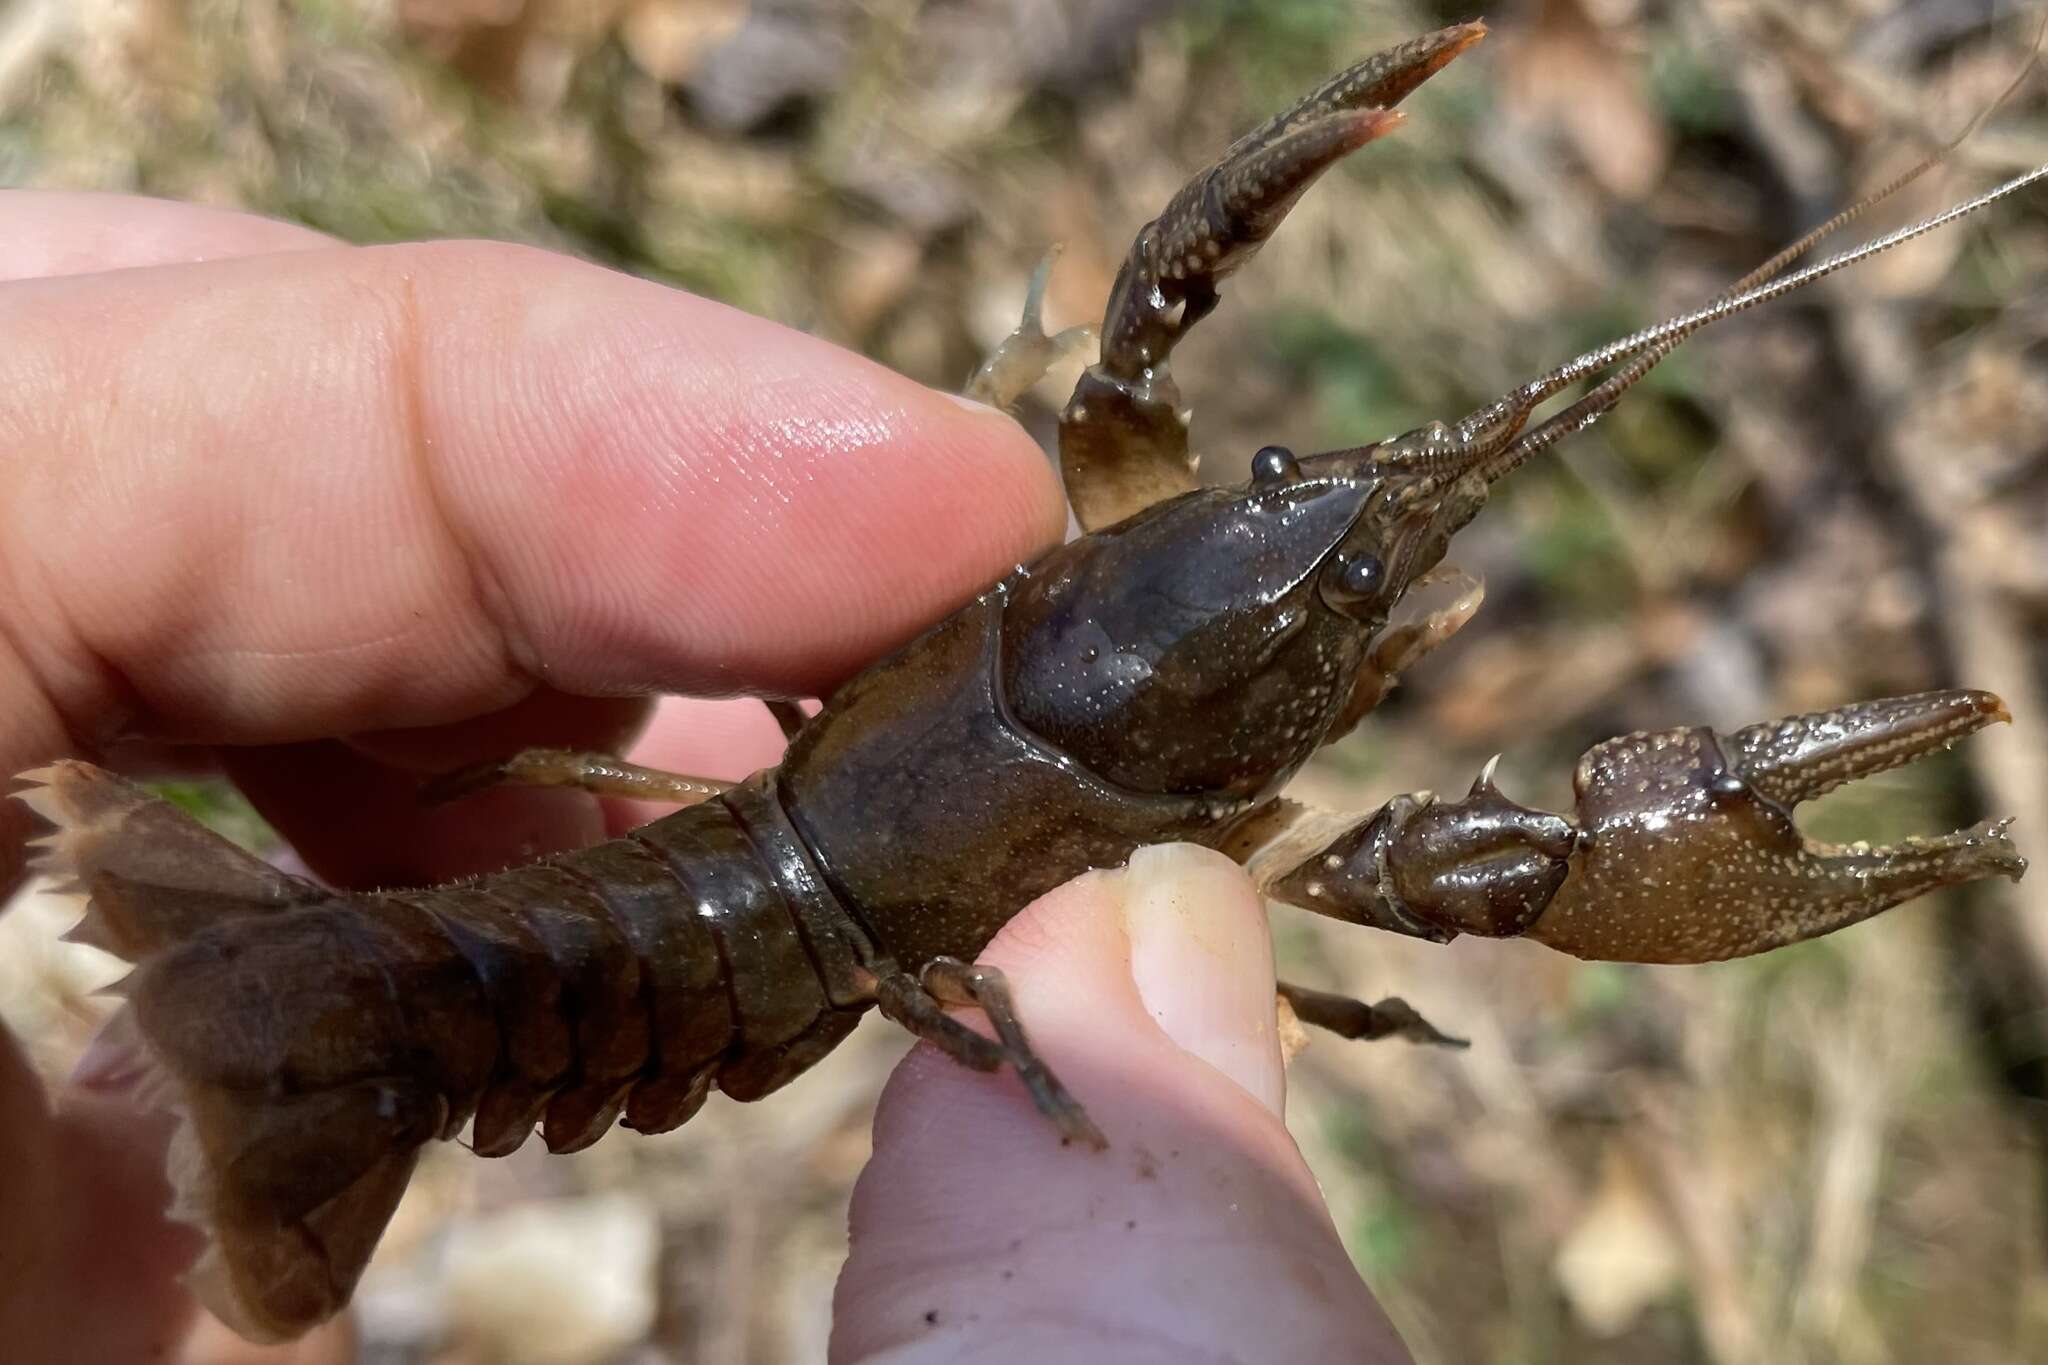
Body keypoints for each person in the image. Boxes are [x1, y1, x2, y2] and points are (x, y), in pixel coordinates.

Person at [0, 194, 1411, 1364]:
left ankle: (330, 1005)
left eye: (1349, 588)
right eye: (1284, 477)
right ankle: (344, 1021)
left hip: (721, 907)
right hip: (711, 938)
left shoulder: (1031, 612)